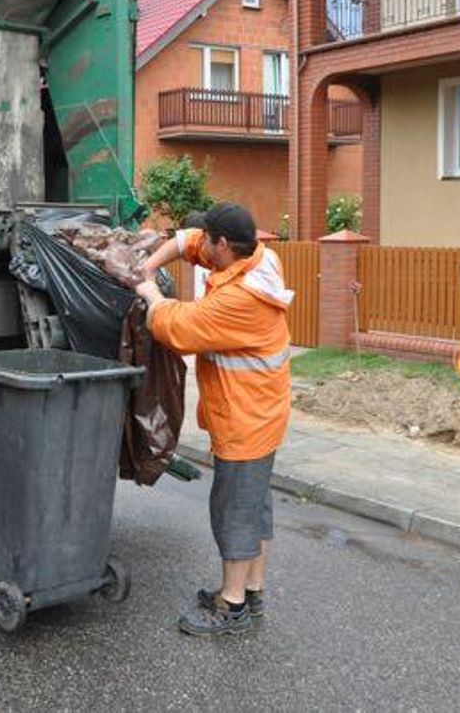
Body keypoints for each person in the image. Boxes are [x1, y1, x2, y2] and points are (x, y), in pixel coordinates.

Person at [134, 203, 293, 636]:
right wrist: (148, 263)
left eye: (209, 240)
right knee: (253, 507)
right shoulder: (257, 258)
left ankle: (232, 607)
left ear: (223, 244)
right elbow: (187, 242)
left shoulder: (242, 298)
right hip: (262, 411)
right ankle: (253, 591)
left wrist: (150, 294)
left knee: (234, 513)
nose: (201, 245)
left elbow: (179, 326)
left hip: (245, 418)